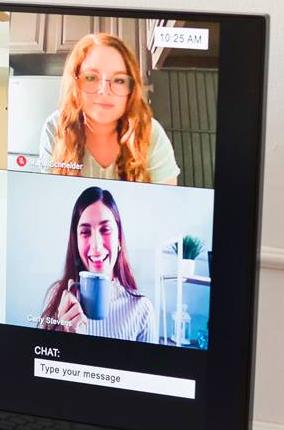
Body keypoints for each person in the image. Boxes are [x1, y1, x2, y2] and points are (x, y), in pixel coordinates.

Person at [36, 32, 180, 183]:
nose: (104, 90)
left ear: (131, 89)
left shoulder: (150, 133)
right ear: (75, 84)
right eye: (91, 77)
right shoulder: (56, 127)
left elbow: (166, 202)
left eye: (118, 80)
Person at [36, 185, 158, 342]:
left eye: (105, 230)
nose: (96, 246)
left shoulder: (142, 309)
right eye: (85, 232)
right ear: (76, 242)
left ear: (119, 239)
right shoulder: (59, 296)